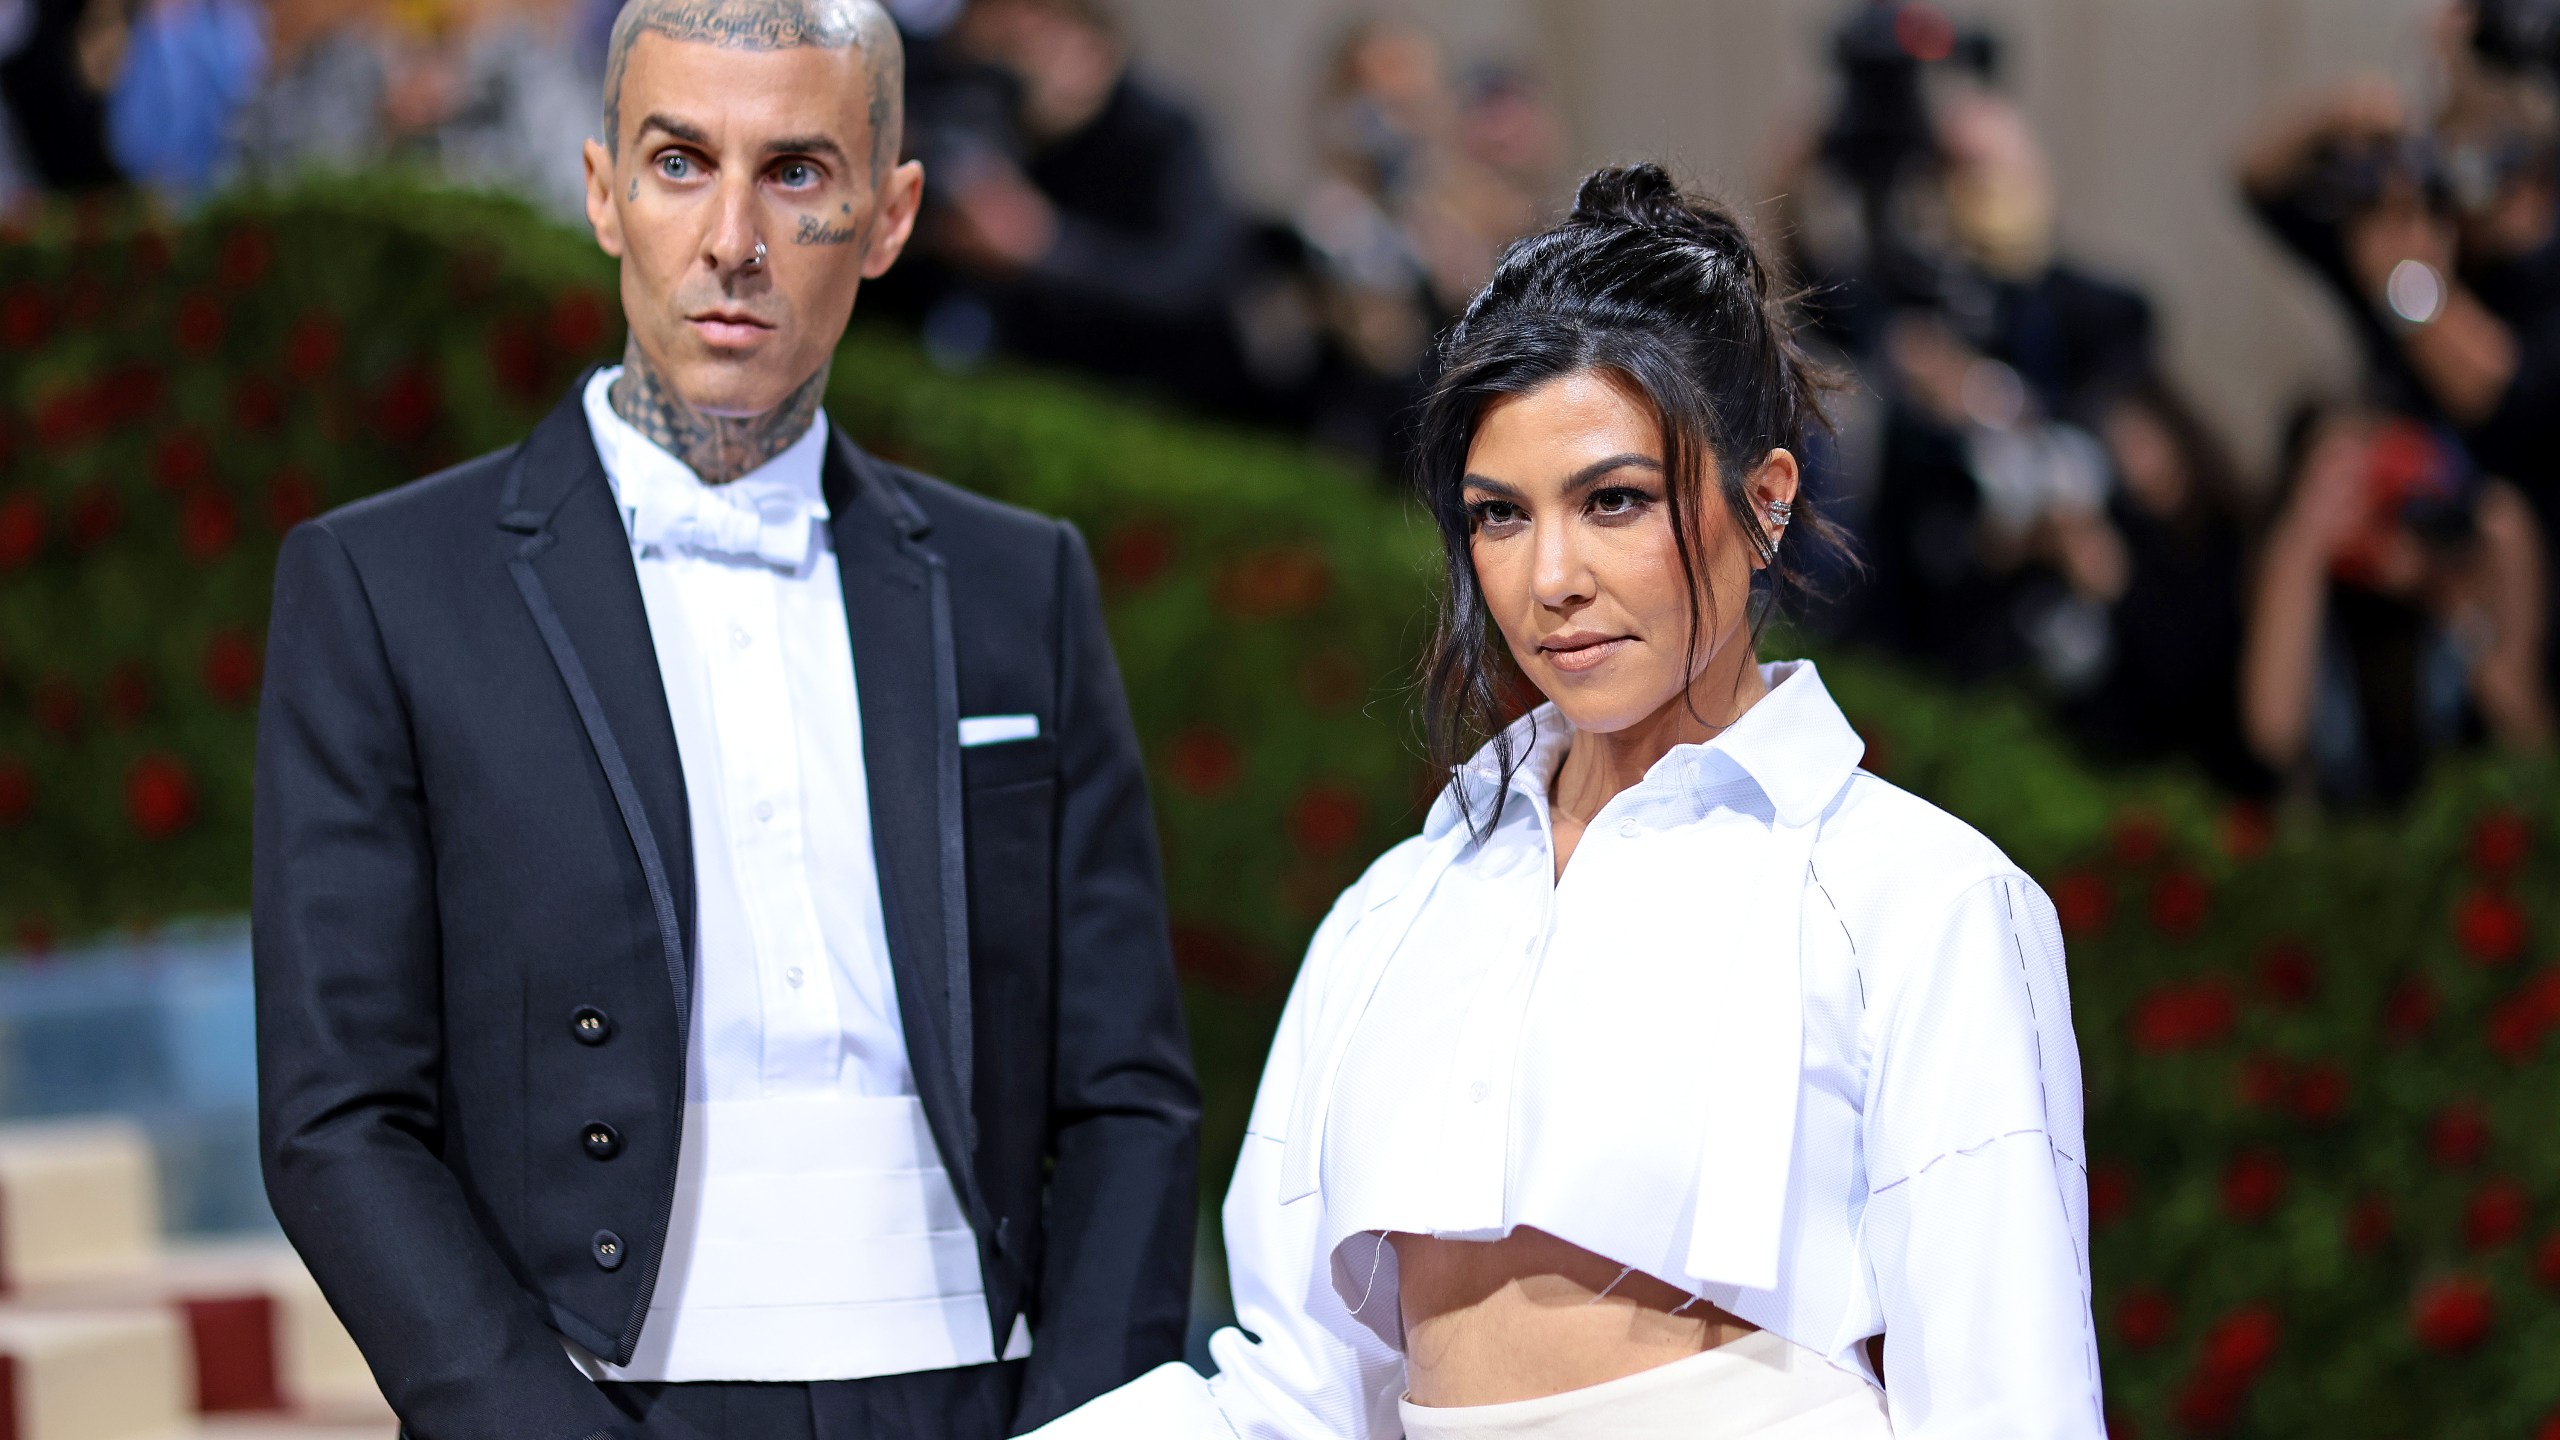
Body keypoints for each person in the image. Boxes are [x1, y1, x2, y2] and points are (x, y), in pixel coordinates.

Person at [1026, 164, 2104, 1440]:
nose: (1550, 579)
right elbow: (1304, 1393)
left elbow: (2007, 1401)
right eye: (1496, 517)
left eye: (1614, 503)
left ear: (1764, 503)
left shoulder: (1919, 901)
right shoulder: (1396, 913)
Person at [251, 3, 1200, 1438]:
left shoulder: (1021, 585)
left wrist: (1087, 1421)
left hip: (979, 1391)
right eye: (681, 162)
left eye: (799, 174)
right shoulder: (389, 587)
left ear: (890, 217)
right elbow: (338, 1114)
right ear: (600, 190)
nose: (732, 239)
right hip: (597, 1394)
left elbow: (1129, 1084)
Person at [2240, 401, 2552, 806]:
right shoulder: (2302, 579)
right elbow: (2273, 735)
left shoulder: (2466, 548)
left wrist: (2448, 596)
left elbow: (2529, 735)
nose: (2372, 503)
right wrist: (2305, 542)